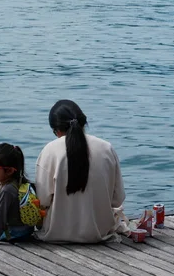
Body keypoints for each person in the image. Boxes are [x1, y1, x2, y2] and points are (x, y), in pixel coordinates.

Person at [34, 99, 126, 243]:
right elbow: (117, 199)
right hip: (98, 232)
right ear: (83, 123)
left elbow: (42, 200)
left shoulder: (49, 151)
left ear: (56, 130)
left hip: (57, 233)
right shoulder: (106, 148)